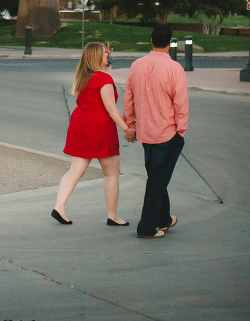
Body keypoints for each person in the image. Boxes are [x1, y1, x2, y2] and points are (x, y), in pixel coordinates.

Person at [52, 41, 135, 226]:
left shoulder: (84, 76)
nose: (108, 56)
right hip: (100, 127)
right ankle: (112, 216)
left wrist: (108, 62)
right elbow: (111, 109)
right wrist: (127, 129)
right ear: (97, 57)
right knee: (112, 173)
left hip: (80, 124)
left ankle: (59, 206)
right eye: (105, 54)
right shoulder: (104, 80)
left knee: (75, 170)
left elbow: (104, 78)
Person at [123, 23, 189, 239]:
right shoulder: (174, 68)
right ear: (170, 43)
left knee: (156, 176)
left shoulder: (136, 66)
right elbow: (180, 103)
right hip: (167, 133)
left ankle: (164, 218)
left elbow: (129, 98)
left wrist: (131, 124)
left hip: (146, 133)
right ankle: (147, 227)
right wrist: (181, 130)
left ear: (151, 41)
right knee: (157, 179)